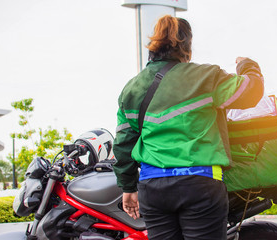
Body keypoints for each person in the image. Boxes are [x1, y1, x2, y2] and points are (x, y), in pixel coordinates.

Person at [113, 15, 264, 240]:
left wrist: (127, 187)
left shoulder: (132, 88)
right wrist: (248, 65)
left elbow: (124, 144)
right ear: (187, 48)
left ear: (153, 46)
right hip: (199, 184)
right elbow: (251, 92)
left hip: (152, 188)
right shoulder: (205, 76)